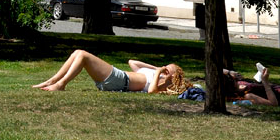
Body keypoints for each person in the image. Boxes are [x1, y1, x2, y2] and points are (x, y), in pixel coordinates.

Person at [33, 50, 188, 94]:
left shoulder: (162, 84)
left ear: (173, 76)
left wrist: (163, 75)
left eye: (168, 69)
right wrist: (157, 69)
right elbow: (132, 62)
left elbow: (152, 91)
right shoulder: (156, 74)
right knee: (76, 53)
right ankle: (52, 81)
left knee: (83, 55)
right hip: (118, 78)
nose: (164, 68)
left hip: (121, 80)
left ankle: (61, 84)